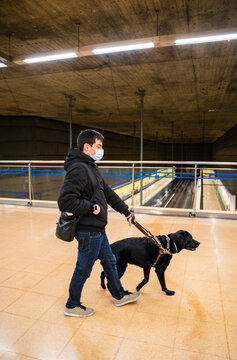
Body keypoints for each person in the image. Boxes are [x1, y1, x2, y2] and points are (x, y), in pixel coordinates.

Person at [58, 129, 141, 317]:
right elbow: (64, 201)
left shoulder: (91, 166)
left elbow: (107, 192)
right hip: (88, 230)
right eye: (99, 146)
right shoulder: (79, 168)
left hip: (97, 229)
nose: (101, 149)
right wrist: (91, 207)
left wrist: (126, 211)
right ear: (87, 147)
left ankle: (119, 295)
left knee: (110, 261)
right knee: (84, 268)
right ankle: (72, 305)